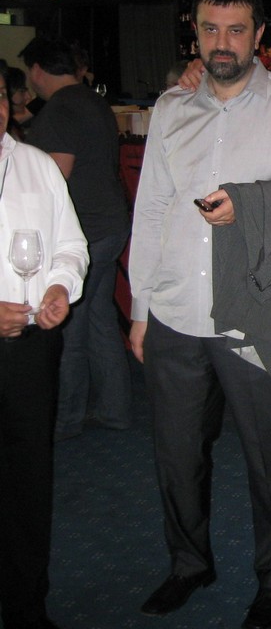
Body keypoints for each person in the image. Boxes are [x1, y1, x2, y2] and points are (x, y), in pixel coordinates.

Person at [128, 0, 271, 629]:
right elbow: (151, 208)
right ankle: (188, 564)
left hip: (255, 310)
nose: (221, 42)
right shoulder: (172, 107)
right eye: (209, 29)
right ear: (194, 34)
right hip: (175, 310)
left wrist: (251, 208)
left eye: (235, 30)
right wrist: (140, 308)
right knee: (177, 454)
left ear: (259, 37)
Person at [0, 67, 89, 629]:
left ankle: (26, 605)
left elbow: (71, 245)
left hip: (29, 351)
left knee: (27, 483)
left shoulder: (35, 164)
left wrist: (59, 286)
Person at [19, 37, 131, 441]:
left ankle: (66, 419)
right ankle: (115, 410)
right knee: (99, 321)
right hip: (110, 223)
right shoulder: (91, 100)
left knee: (69, 327)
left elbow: (53, 181)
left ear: (36, 70)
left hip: (84, 232)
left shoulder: (59, 111)